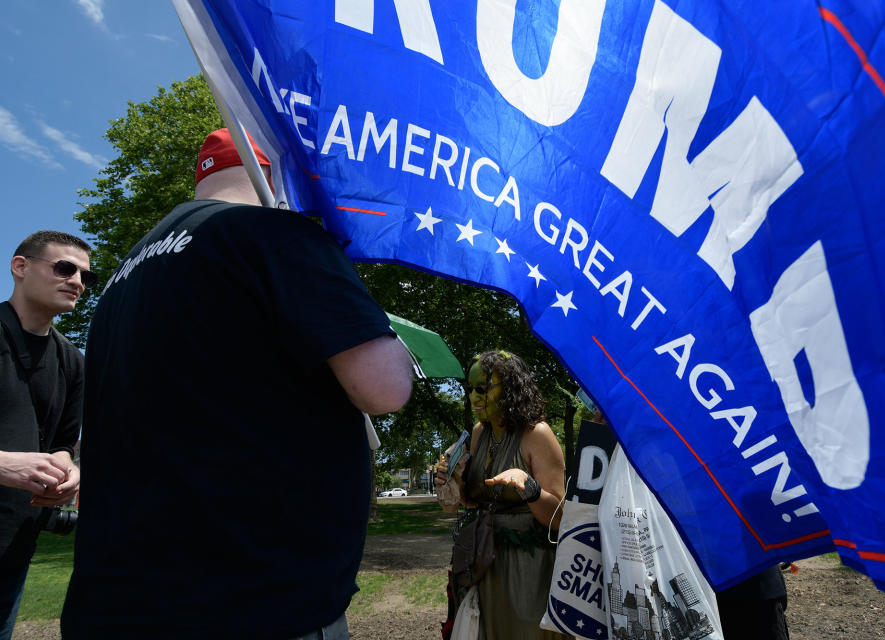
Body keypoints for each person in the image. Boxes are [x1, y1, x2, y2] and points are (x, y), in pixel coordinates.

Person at [60, 128, 412, 639]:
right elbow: (386, 389)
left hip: (116, 600)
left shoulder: (121, 278)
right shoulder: (272, 235)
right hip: (248, 600)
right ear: (278, 172)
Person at [436, 350, 569, 640]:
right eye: (470, 389)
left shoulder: (537, 434)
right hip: (484, 565)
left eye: (482, 389)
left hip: (528, 573)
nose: (473, 397)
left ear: (510, 388)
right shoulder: (478, 433)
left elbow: (559, 518)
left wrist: (529, 486)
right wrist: (454, 481)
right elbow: (475, 500)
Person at [0, 231, 88, 640]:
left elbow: (62, 444)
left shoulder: (72, 360)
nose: (77, 282)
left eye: (84, 275)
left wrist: (67, 469)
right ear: (20, 267)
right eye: (64, 268)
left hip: (14, 548)